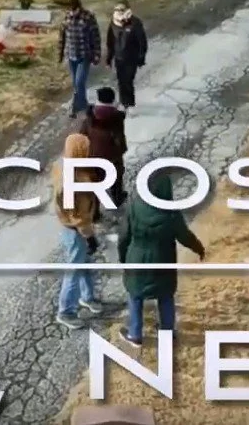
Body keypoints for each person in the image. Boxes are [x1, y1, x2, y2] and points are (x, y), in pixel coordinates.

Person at [118, 170, 206, 347]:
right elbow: (184, 236)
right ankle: (167, 331)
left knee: (135, 295)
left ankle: (135, 334)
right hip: (163, 259)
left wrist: (123, 258)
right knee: (165, 296)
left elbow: (124, 236)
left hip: (137, 257)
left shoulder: (134, 206)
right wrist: (198, 248)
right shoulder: (171, 213)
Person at [52, 133, 104, 330]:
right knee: (74, 269)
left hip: (66, 226)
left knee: (83, 264)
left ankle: (87, 297)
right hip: (76, 231)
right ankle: (66, 311)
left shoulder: (61, 165)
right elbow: (80, 217)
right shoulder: (78, 182)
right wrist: (90, 237)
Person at [75, 86, 129, 209]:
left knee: (95, 181)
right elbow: (119, 138)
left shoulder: (90, 116)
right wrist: (121, 150)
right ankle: (117, 197)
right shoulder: (117, 118)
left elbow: (82, 135)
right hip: (111, 156)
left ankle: (93, 211)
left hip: (92, 155)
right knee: (116, 172)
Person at [58, 0, 100, 115]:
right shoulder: (66, 17)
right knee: (76, 83)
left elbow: (95, 36)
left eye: (72, 7)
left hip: (84, 55)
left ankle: (76, 107)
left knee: (79, 82)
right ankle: (83, 104)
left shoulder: (88, 17)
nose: (70, 10)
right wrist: (60, 54)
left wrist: (97, 54)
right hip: (71, 55)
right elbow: (62, 37)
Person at [105, 3, 148, 109]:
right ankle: (124, 103)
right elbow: (110, 42)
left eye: (121, 10)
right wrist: (108, 59)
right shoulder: (113, 23)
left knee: (128, 80)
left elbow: (142, 41)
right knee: (121, 81)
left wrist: (141, 58)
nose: (119, 12)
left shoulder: (135, 23)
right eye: (117, 10)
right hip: (119, 57)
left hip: (132, 58)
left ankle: (130, 103)